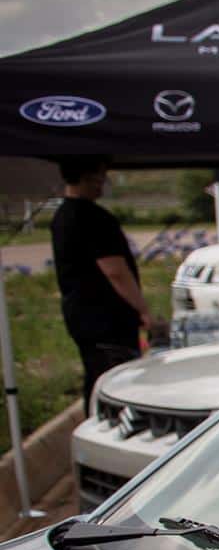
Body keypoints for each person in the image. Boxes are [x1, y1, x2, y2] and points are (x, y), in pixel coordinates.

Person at [50, 157, 151, 407]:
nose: (102, 184)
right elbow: (115, 271)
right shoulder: (93, 218)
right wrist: (143, 310)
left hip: (81, 316)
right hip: (106, 319)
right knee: (114, 382)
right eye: (100, 177)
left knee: (95, 376)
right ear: (85, 177)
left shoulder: (62, 216)